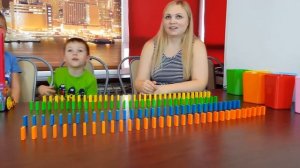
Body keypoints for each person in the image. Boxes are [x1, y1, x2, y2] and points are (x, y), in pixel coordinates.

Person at [134, 0, 208, 94]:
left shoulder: (197, 46)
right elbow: (139, 82)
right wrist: (143, 86)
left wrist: (167, 89)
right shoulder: (150, 46)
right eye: (168, 17)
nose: (172, 21)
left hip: (187, 105)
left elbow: (200, 84)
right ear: (163, 21)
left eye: (179, 16)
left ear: (188, 21)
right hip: (157, 103)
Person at [0, 13, 21, 103]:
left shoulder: (11, 59)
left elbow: (16, 89)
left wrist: (10, 92)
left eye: (0, 26)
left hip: (6, 109)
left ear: (5, 32)